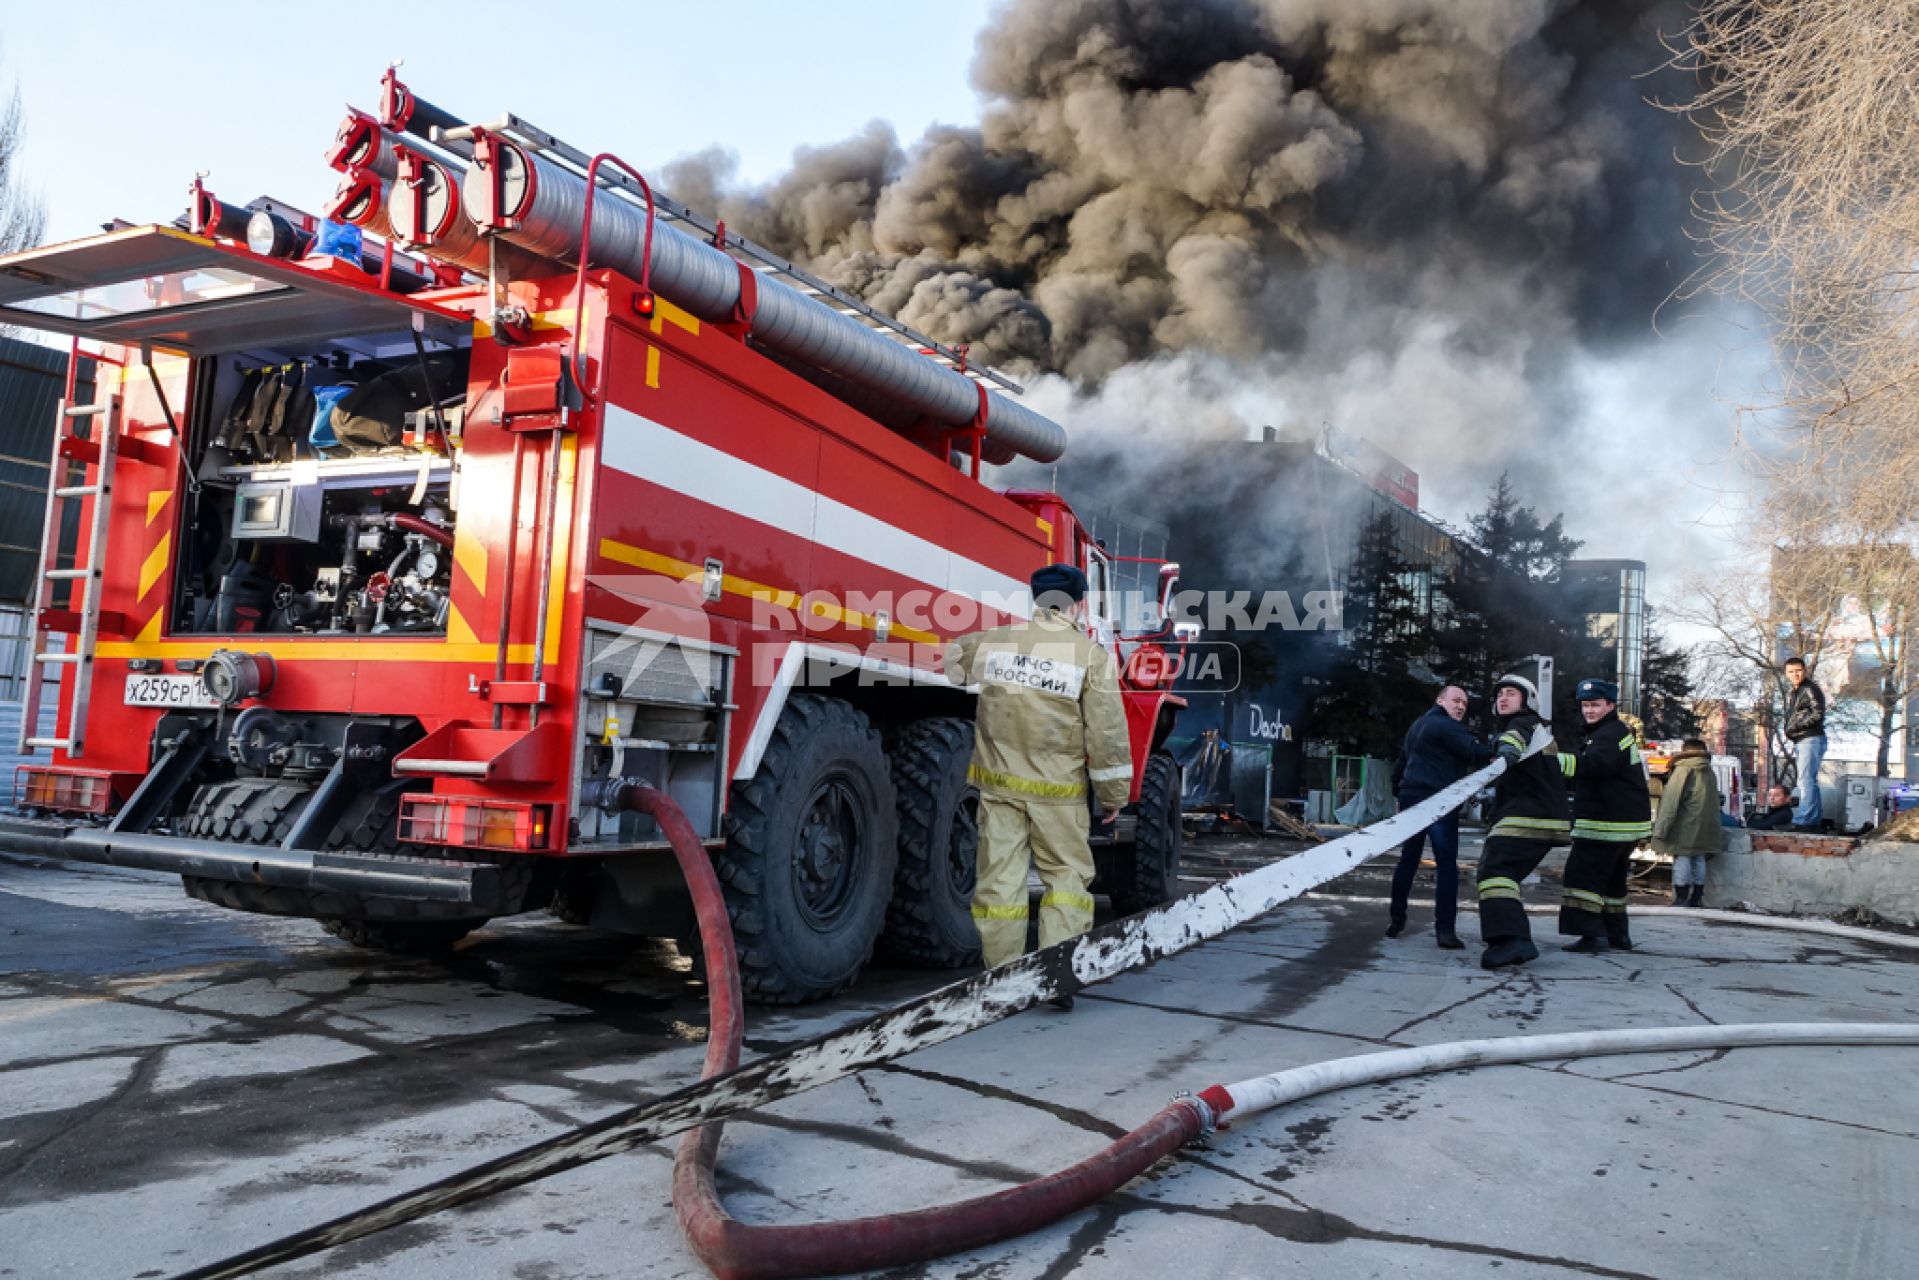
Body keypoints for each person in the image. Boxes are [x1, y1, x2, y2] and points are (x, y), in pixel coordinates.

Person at [944, 563, 1132, 1011]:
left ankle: (1002, 980)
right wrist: (1113, 797)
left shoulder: (994, 643)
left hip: (999, 790)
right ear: (1079, 604)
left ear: (1037, 602)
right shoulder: (1091, 658)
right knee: (1066, 882)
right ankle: (1057, 977)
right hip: (1059, 797)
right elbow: (1107, 737)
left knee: (1000, 884)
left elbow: (953, 662)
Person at [1475, 674, 1571, 970]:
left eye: (1511, 694)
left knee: (1495, 871)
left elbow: (1512, 744)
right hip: (1536, 815)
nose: (1502, 698)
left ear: (1527, 701)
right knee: (1502, 875)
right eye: (1499, 694)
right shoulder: (1536, 730)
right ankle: (1508, 938)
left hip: (1527, 816)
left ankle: (1512, 940)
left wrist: (1505, 754)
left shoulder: (1523, 725)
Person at [1387, 685, 1491, 949]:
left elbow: (1400, 764)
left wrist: (1399, 795)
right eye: (1456, 700)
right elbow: (1476, 753)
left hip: (1411, 796)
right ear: (1440, 700)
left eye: (1464, 704)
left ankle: (1396, 920)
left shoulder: (1417, 725)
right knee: (1447, 865)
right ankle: (1445, 931)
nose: (1460, 707)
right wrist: (1500, 747)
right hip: (1438, 801)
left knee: (1408, 860)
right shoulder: (1445, 725)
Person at [1559, 678, 1651, 953]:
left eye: (1595, 705)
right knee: (1612, 885)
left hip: (1606, 824)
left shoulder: (1609, 735)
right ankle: (1617, 936)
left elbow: (1593, 766)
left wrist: (1551, 761)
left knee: (1583, 878)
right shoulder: (1612, 733)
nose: (1589, 711)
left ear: (1610, 705)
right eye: (1585, 705)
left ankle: (1592, 935)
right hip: (1622, 825)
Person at [1651, 738, 1725, 908]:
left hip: (1684, 823)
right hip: (1706, 824)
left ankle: (1681, 897)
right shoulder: (1709, 771)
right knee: (1699, 857)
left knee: (1682, 858)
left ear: (1684, 751)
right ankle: (1697, 897)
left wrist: (1660, 830)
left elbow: (1671, 801)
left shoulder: (1683, 769)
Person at [1782, 656, 1827, 831]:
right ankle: (1812, 818)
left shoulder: (1809, 689)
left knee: (1805, 780)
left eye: (1798, 670)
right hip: (1805, 738)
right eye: (1791, 671)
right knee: (1809, 780)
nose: (1795, 674)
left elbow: (1818, 713)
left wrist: (1795, 726)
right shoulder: (1796, 691)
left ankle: (1804, 819)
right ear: (1786, 673)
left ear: (1805, 670)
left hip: (1810, 737)